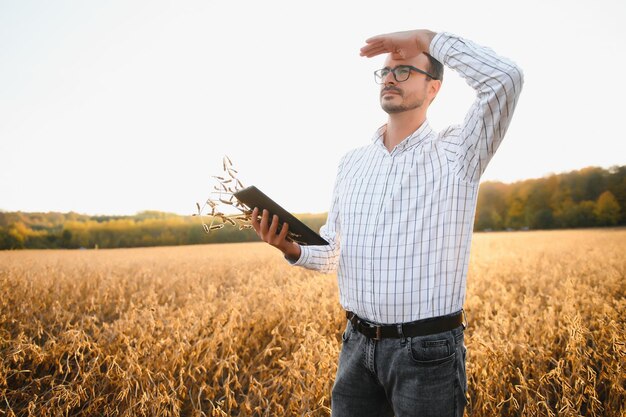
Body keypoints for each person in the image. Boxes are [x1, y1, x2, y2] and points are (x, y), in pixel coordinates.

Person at [251, 29, 523, 417]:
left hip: (426, 353)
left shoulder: (458, 153)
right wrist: (291, 247)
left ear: (434, 89)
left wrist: (426, 39)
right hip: (356, 346)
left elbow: (505, 79)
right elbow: (332, 251)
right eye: (386, 72)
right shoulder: (352, 163)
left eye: (405, 70)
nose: (391, 78)